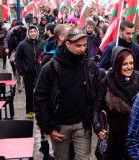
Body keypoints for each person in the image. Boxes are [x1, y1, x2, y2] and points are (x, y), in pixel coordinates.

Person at [34, 28, 104, 160]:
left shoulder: (89, 65)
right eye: (78, 45)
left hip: (82, 124)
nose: (83, 49)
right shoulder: (50, 67)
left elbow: (97, 93)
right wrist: (48, 127)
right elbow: (39, 99)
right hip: (60, 126)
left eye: (84, 45)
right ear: (67, 43)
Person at [93, 46, 139, 160]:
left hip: (136, 136)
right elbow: (96, 108)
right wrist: (98, 128)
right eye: (124, 64)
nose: (129, 67)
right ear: (117, 64)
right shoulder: (106, 82)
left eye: (131, 63)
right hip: (114, 137)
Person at [15, 25, 46, 118]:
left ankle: (41, 111)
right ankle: (30, 111)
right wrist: (21, 72)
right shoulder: (22, 44)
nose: (33, 33)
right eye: (31, 31)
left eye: (34, 31)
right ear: (28, 33)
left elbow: (47, 57)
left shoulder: (43, 43)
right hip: (28, 74)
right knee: (29, 94)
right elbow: (18, 59)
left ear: (37, 32)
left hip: (41, 73)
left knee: (41, 93)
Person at [8, 22, 27, 92]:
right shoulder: (13, 34)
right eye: (18, 27)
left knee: (25, 67)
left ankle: (24, 82)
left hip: (25, 52)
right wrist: (9, 54)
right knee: (17, 68)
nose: (20, 29)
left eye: (21, 27)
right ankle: (19, 83)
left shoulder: (26, 33)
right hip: (15, 52)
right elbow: (10, 44)